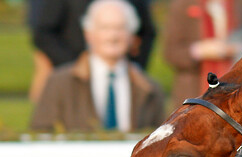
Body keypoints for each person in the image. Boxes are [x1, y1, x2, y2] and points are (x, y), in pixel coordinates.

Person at [30, 0, 165, 132]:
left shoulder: (149, 89)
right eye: (105, 28)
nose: (112, 36)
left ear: (132, 36)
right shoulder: (59, 84)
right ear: (88, 34)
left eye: (120, 28)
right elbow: (40, 135)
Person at [162, 0, 242, 107]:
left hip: (237, 92)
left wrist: (238, 49)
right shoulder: (183, 5)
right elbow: (171, 53)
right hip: (195, 89)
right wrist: (199, 51)